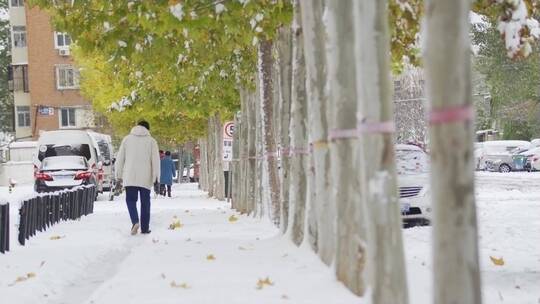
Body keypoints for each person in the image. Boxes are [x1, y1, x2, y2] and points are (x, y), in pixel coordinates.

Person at [115, 120, 160, 235]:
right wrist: (156, 178)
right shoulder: (151, 141)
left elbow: (120, 159)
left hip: (130, 176)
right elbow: (156, 161)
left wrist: (118, 176)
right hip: (145, 177)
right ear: (148, 129)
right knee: (145, 203)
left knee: (130, 200)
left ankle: (135, 221)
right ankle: (145, 228)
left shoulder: (127, 139)